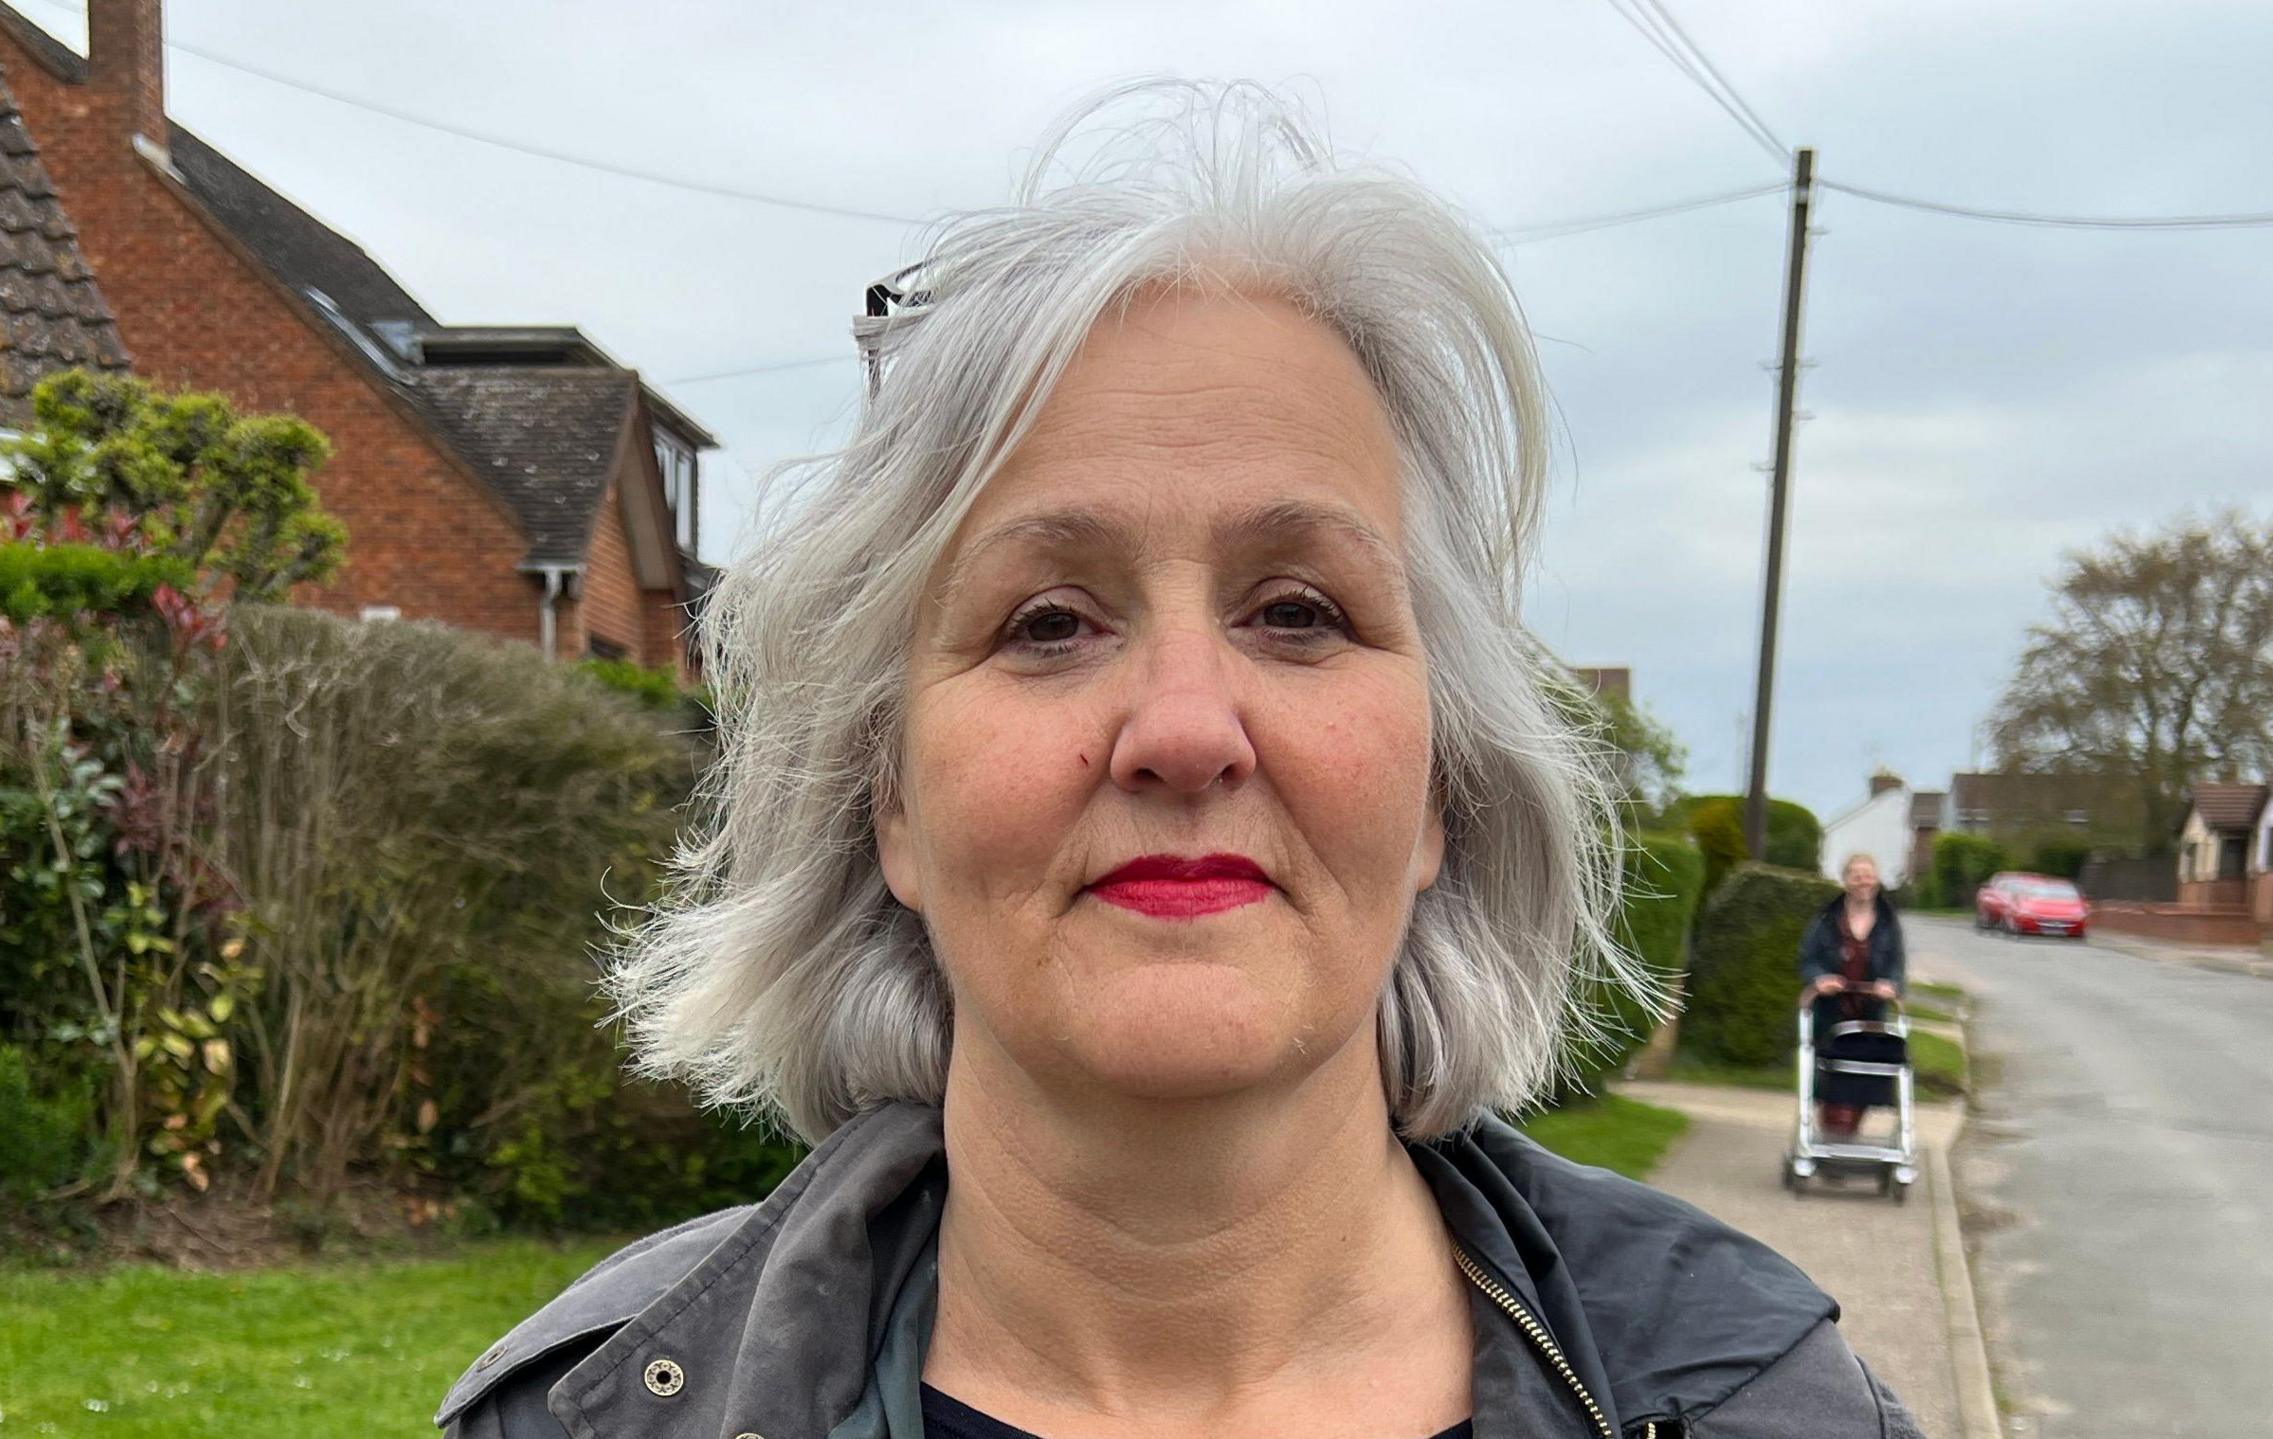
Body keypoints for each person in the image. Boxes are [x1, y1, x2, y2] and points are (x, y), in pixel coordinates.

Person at [437, 85, 1923, 1439]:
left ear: (1440, 789)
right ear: (887, 796)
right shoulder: (572, 1415)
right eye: (1047, 620)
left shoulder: (1777, 1403)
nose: (1186, 729)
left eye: (1298, 610)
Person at [1799, 854, 1908, 1138]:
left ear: (1876, 880)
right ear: (1846, 880)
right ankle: (1830, 1134)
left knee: (1866, 1075)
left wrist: (1891, 985)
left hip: (1870, 1015)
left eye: (1868, 874)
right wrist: (1819, 979)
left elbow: (1897, 964)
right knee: (1829, 1074)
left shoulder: (1888, 923)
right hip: (1831, 1012)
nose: (1863, 880)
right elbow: (1808, 959)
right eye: (1856, 874)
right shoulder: (1826, 919)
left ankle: (1849, 1132)